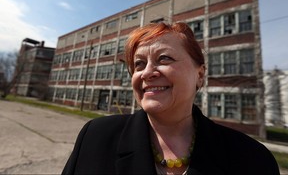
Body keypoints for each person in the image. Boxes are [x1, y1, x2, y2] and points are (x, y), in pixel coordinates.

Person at [62, 22, 280, 175]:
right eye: (139, 64)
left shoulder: (252, 159)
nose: (146, 73)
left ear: (200, 75)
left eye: (164, 58)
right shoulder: (95, 137)